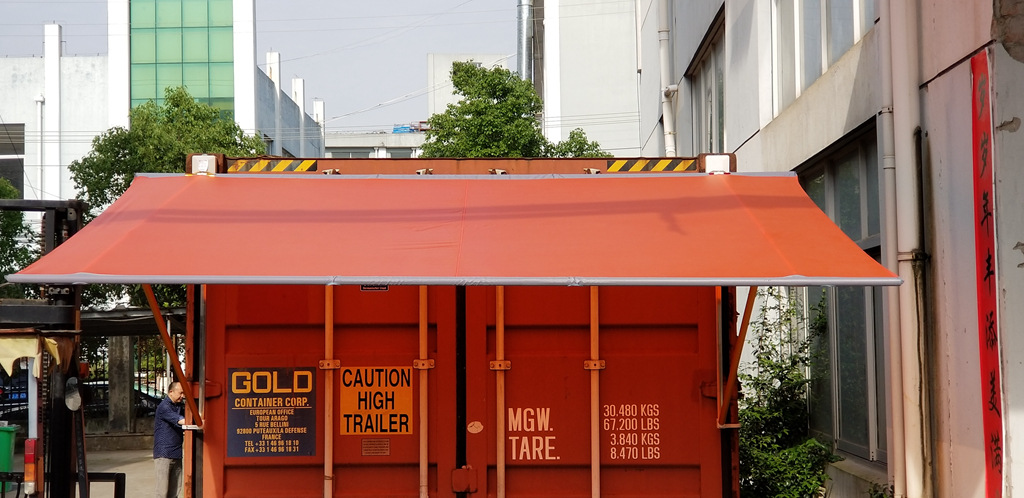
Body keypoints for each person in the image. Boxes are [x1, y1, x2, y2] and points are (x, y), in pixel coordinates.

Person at [154, 381, 186, 498]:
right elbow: (181, 421)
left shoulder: (178, 406)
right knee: (162, 493)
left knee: (174, 492)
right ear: (171, 392)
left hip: (176, 453)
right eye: (180, 393)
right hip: (164, 454)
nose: (182, 396)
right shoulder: (164, 407)